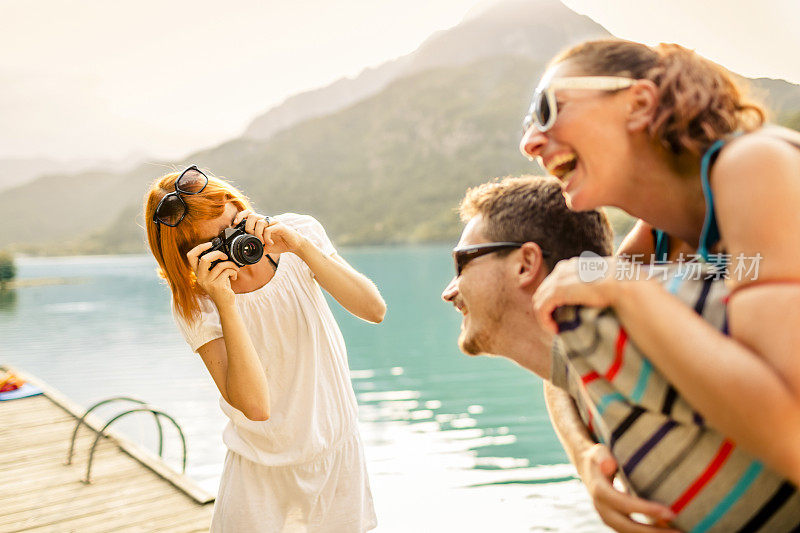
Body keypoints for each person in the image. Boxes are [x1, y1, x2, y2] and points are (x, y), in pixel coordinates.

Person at [519, 39, 800, 530]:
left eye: (546, 109)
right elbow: (562, 359)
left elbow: (794, 434)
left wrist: (631, 291)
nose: (530, 143)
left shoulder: (754, 164)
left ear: (640, 103)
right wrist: (586, 457)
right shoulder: (659, 236)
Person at [443, 176, 800, 532]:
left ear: (525, 264)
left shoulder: (636, 315)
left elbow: (756, 281)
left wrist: (618, 279)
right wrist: (582, 453)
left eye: (462, 262)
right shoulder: (586, 357)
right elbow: (559, 374)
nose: (449, 290)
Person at [143, 165, 385, 532]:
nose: (236, 244)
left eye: (234, 225)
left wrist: (302, 248)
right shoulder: (196, 304)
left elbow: (373, 310)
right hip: (260, 471)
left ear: (240, 206)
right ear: (190, 256)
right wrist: (224, 302)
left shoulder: (296, 234)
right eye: (217, 244)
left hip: (337, 452)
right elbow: (255, 406)